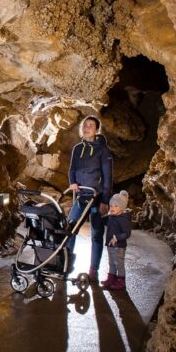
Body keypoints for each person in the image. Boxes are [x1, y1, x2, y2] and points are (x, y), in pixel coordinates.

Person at [66, 115, 113, 281]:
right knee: (69, 230)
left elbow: (108, 177)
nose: (86, 128)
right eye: (85, 125)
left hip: (96, 197)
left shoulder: (103, 150)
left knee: (96, 234)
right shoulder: (78, 148)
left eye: (91, 126)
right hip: (80, 196)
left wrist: (105, 201)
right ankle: (66, 264)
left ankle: (93, 270)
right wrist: (72, 182)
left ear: (97, 130)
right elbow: (72, 169)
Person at [101, 190, 132, 291]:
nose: (113, 208)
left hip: (119, 247)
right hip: (111, 245)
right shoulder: (112, 216)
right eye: (111, 206)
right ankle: (111, 279)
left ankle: (121, 282)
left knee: (119, 264)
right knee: (111, 263)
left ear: (122, 207)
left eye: (116, 206)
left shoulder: (123, 219)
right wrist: (103, 217)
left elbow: (127, 233)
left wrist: (117, 238)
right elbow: (108, 225)